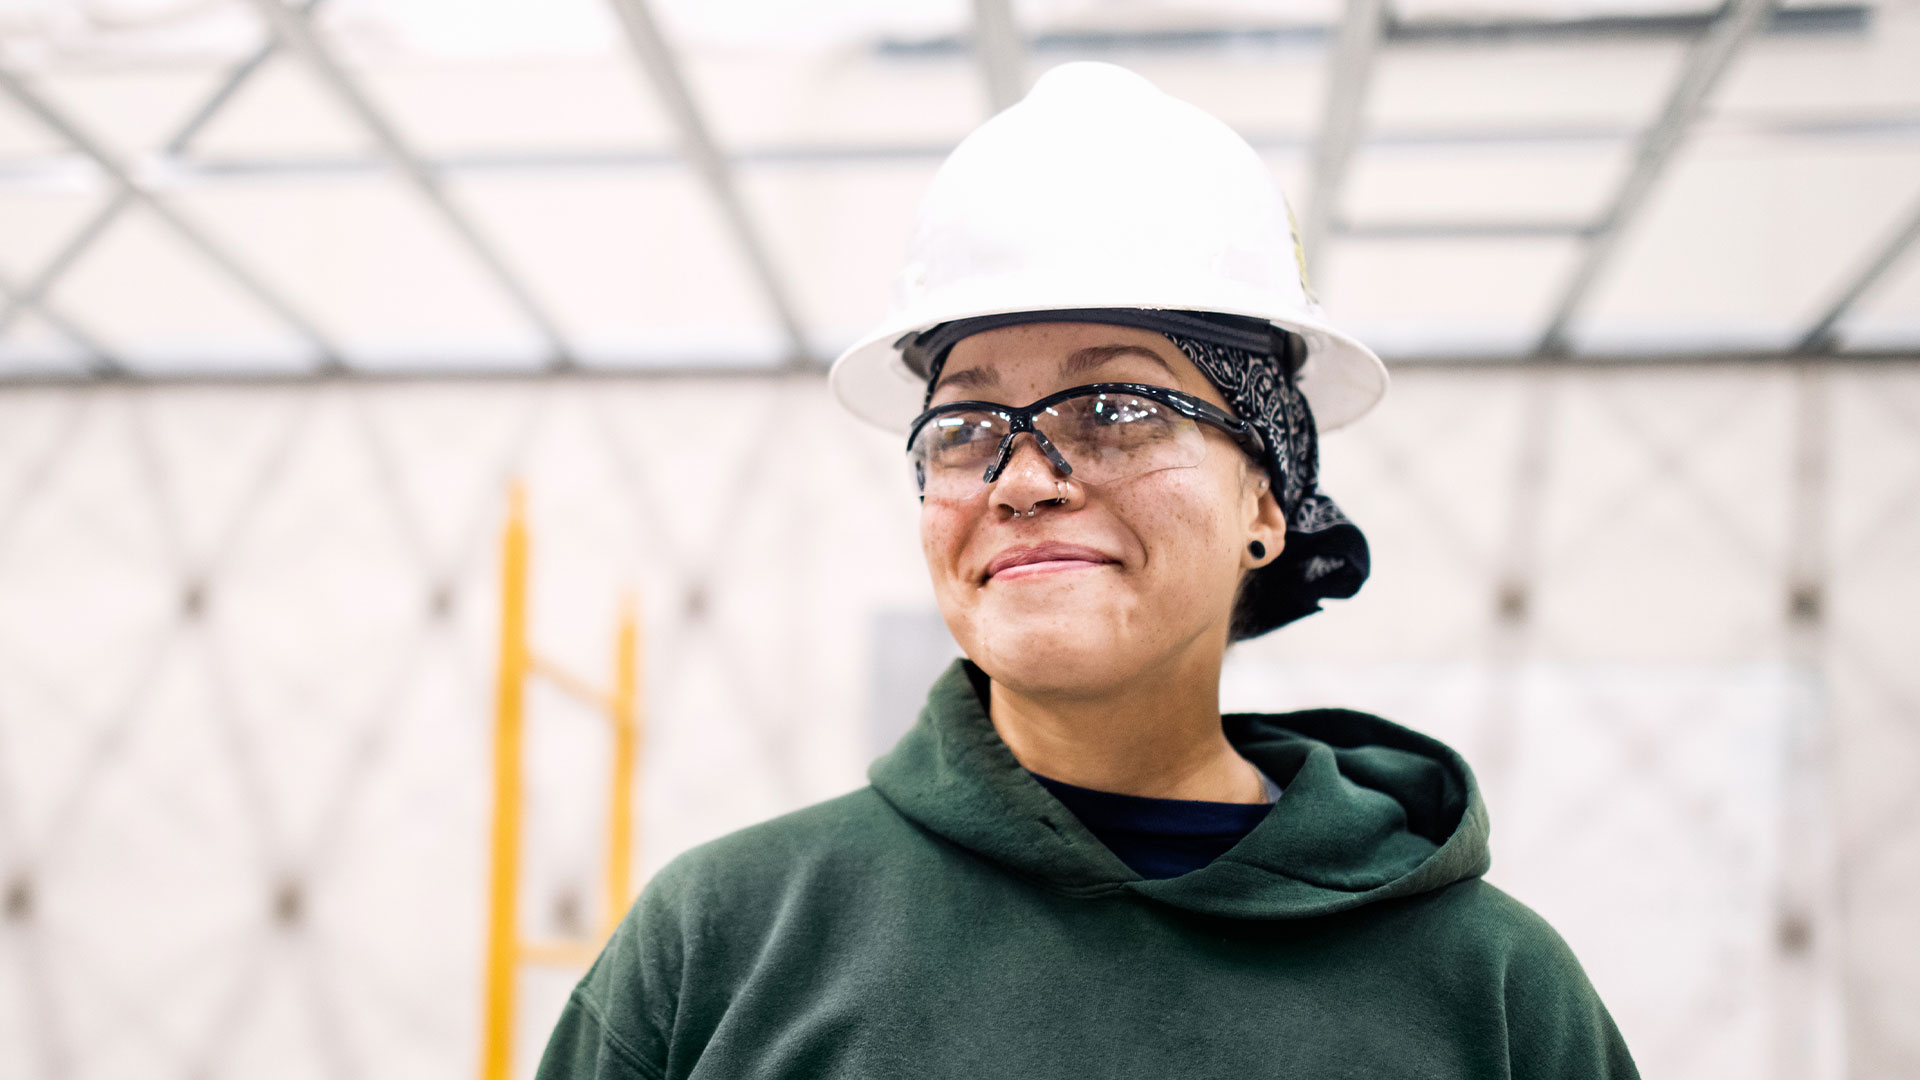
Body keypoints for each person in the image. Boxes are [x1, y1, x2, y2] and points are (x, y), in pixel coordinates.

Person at [535, 62, 1637, 1079]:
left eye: (1116, 409)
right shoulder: (721, 941)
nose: (1021, 479)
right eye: (966, 424)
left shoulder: (1493, 994)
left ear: (1267, 501)